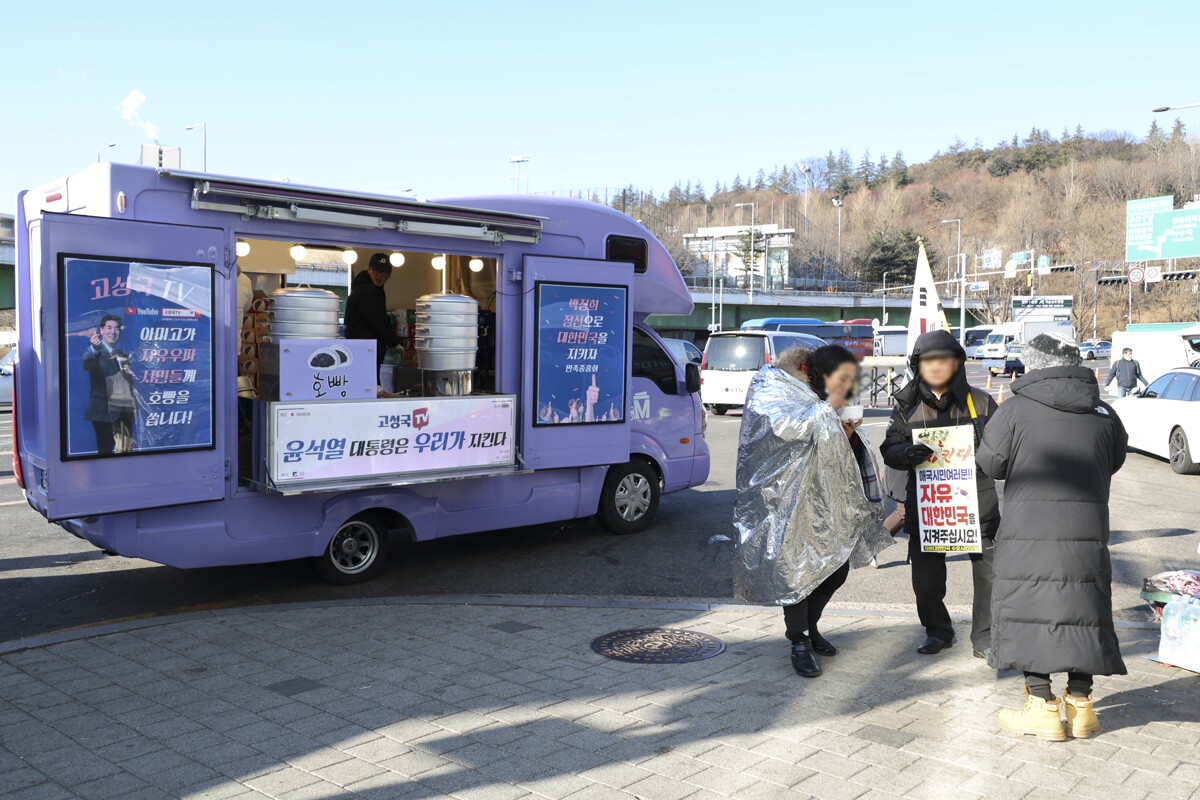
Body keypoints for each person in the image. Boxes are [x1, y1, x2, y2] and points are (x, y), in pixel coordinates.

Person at [977, 333, 1128, 741]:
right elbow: (1114, 460)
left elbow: (991, 463)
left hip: (1030, 530)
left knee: (1031, 606)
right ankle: (1081, 708)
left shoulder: (1015, 410)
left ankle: (1041, 706)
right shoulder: (1104, 412)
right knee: (1083, 608)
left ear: (1033, 365)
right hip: (1087, 529)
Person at [734, 344, 891, 678]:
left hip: (823, 502)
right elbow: (786, 430)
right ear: (814, 371)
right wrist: (829, 408)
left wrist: (846, 431)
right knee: (797, 573)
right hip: (785, 502)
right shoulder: (772, 385)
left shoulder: (815, 397)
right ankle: (798, 641)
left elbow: (829, 449)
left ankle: (811, 627)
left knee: (835, 570)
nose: (845, 385)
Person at [880, 329, 999, 657]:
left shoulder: (983, 401)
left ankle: (985, 638)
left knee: (988, 575)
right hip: (928, 507)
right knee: (926, 580)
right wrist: (906, 454)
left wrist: (984, 456)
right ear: (918, 365)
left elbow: (1003, 449)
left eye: (943, 360)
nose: (935, 367)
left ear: (957, 363)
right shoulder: (907, 406)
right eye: (927, 361)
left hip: (977, 503)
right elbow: (889, 447)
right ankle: (938, 630)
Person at [82, 314, 137, 455]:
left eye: (117, 328)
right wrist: (94, 348)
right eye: (109, 327)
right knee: (105, 452)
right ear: (101, 330)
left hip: (123, 411)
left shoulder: (122, 355)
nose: (113, 331)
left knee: (126, 450)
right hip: (103, 412)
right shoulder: (94, 351)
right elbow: (87, 363)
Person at [344, 253, 400, 377]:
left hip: (360, 350)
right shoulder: (368, 291)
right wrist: (393, 343)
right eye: (376, 271)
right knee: (368, 387)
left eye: (384, 273)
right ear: (369, 270)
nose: (380, 275)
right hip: (365, 351)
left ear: (389, 275)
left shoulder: (364, 287)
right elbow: (379, 322)